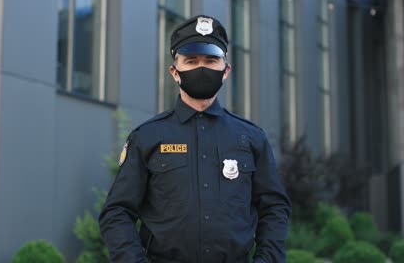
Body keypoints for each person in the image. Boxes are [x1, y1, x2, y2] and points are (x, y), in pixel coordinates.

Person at [99, 14, 291, 263]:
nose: (202, 68)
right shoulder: (147, 137)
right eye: (191, 60)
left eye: (211, 60)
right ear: (175, 71)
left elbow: (274, 209)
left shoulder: (251, 138)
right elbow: (117, 212)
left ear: (226, 70)